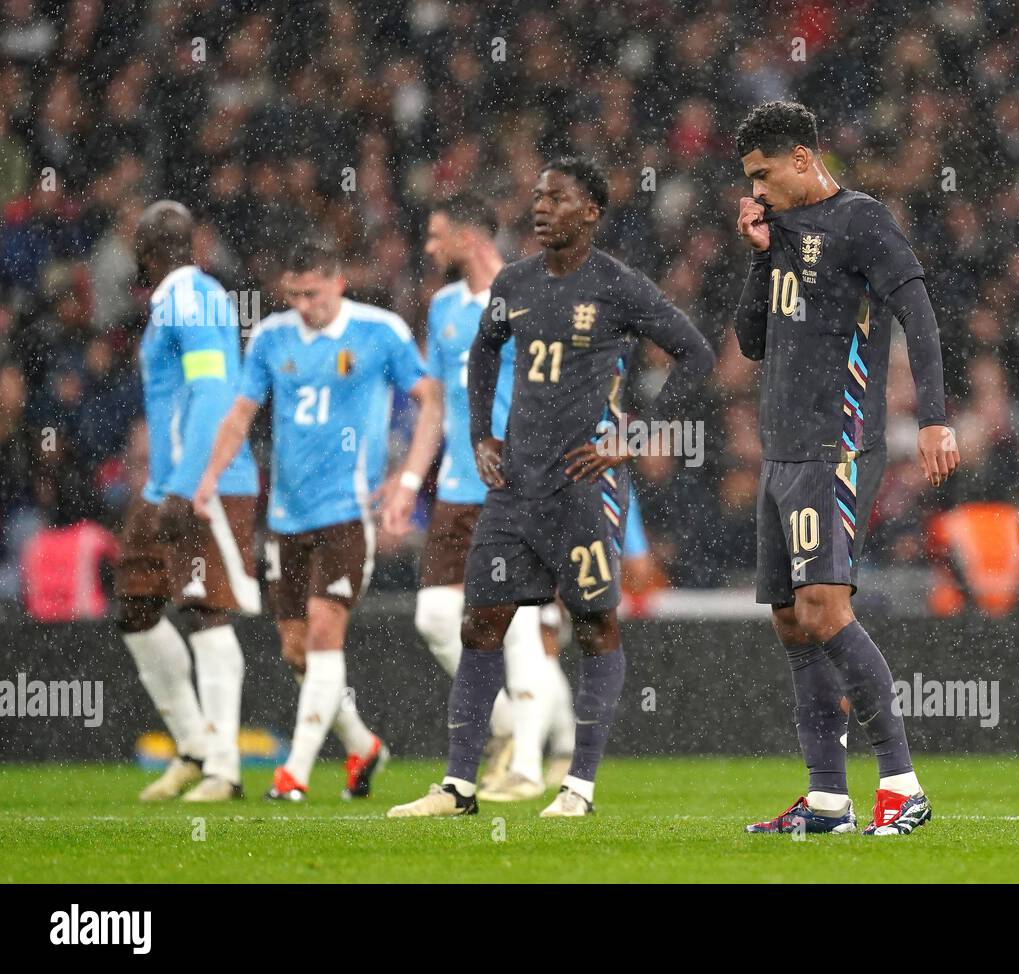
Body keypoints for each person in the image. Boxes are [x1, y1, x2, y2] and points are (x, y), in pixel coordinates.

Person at [387, 156, 715, 819]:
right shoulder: (514, 282)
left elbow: (696, 353)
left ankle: (579, 788)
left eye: (558, 198)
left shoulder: (617, 286)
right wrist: (481, 434)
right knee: (482, 624)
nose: (541, 208)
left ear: (589, 211)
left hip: (582, 488)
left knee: (594, 624)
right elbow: (483, 352)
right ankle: (458, 787)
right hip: (513, 490)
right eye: (538, 197)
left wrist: (636, 435)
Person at [733, 101, 959, 836]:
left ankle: (903, 785)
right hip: (781, 449)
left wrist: (932, 417)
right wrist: (759, 252)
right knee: (794, 622)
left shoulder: (863, 220)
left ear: (803, 157)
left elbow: (917, 312)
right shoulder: (780, 231)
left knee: (827, 610)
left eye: (763, 175)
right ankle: (828, 798)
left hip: (835, 444)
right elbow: (751, 341)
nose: (756, 190)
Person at [195, 237, 439, 801]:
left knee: (327, 633)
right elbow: (239, 414)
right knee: (297, 649)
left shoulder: (380, 332)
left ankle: (294, 774)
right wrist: (209, 476)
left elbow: (431, 398)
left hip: (349, 513)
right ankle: (362, 744)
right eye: (293, 295)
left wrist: (406, 477)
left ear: (338, 283)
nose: (304, 305)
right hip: (286, 516)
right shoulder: (270, 338)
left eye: (313, 293)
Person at [117, 200, 260, 803]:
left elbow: (212, 393)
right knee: (135, 606)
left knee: (206, 611)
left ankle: (223, 768)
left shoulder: (189, 298)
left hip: (204, 488)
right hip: (165, 487)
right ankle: (193, 745)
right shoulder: (179, 299)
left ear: (145, 249)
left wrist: (186, 484)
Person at [414, 193, 551, 802]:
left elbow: (555, 389)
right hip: (456, 485)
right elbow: (438, 404)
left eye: (437, 233)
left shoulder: (527, 294)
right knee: (436, 616)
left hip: (514, 483)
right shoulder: (444, 306)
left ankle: (524, 766)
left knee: (517, 627)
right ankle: (502, 729)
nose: (429, 247)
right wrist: (406, 479)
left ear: (469, 237)